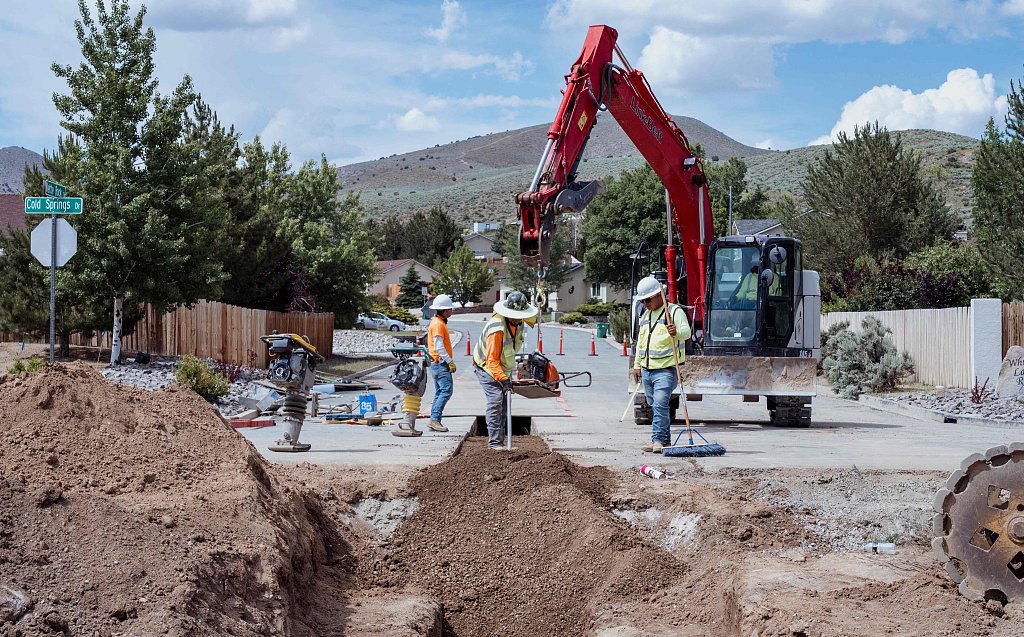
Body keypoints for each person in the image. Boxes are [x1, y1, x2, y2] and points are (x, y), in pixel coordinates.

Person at [630, 276, 691, 453]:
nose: (645, 304)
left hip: (666, 369)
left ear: (658, 295)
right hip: (648, 370)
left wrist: (676, 332)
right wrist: (637, 364)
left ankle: (658, 439)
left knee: (660, 403)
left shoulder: (674, 312)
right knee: (653, 403)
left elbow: (686, 332)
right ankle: (664, 440)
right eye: (642, 301)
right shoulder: (646, 315)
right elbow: (641, 343)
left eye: (647, 300)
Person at [472, 290, 538, 450]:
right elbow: (491, 361)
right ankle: (495, 445)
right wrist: (503, 380)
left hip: (503, 368)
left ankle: (500, 443)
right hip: (486, 367)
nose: (518, 318)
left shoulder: (520, 323)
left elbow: (534, 319)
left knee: (504, 404)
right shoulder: (497, 329)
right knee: (495, 402)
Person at [426, 294, 456, 432]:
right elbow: (439, 347)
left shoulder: (437, 322)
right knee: (446, 391)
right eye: (449, 309)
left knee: (440, 391)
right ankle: (435, 419)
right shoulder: (438, 324)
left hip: (436, 363)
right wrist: (449, 361)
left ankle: (434, 419)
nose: (451, 311)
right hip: (440, 362)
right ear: (444, 311)